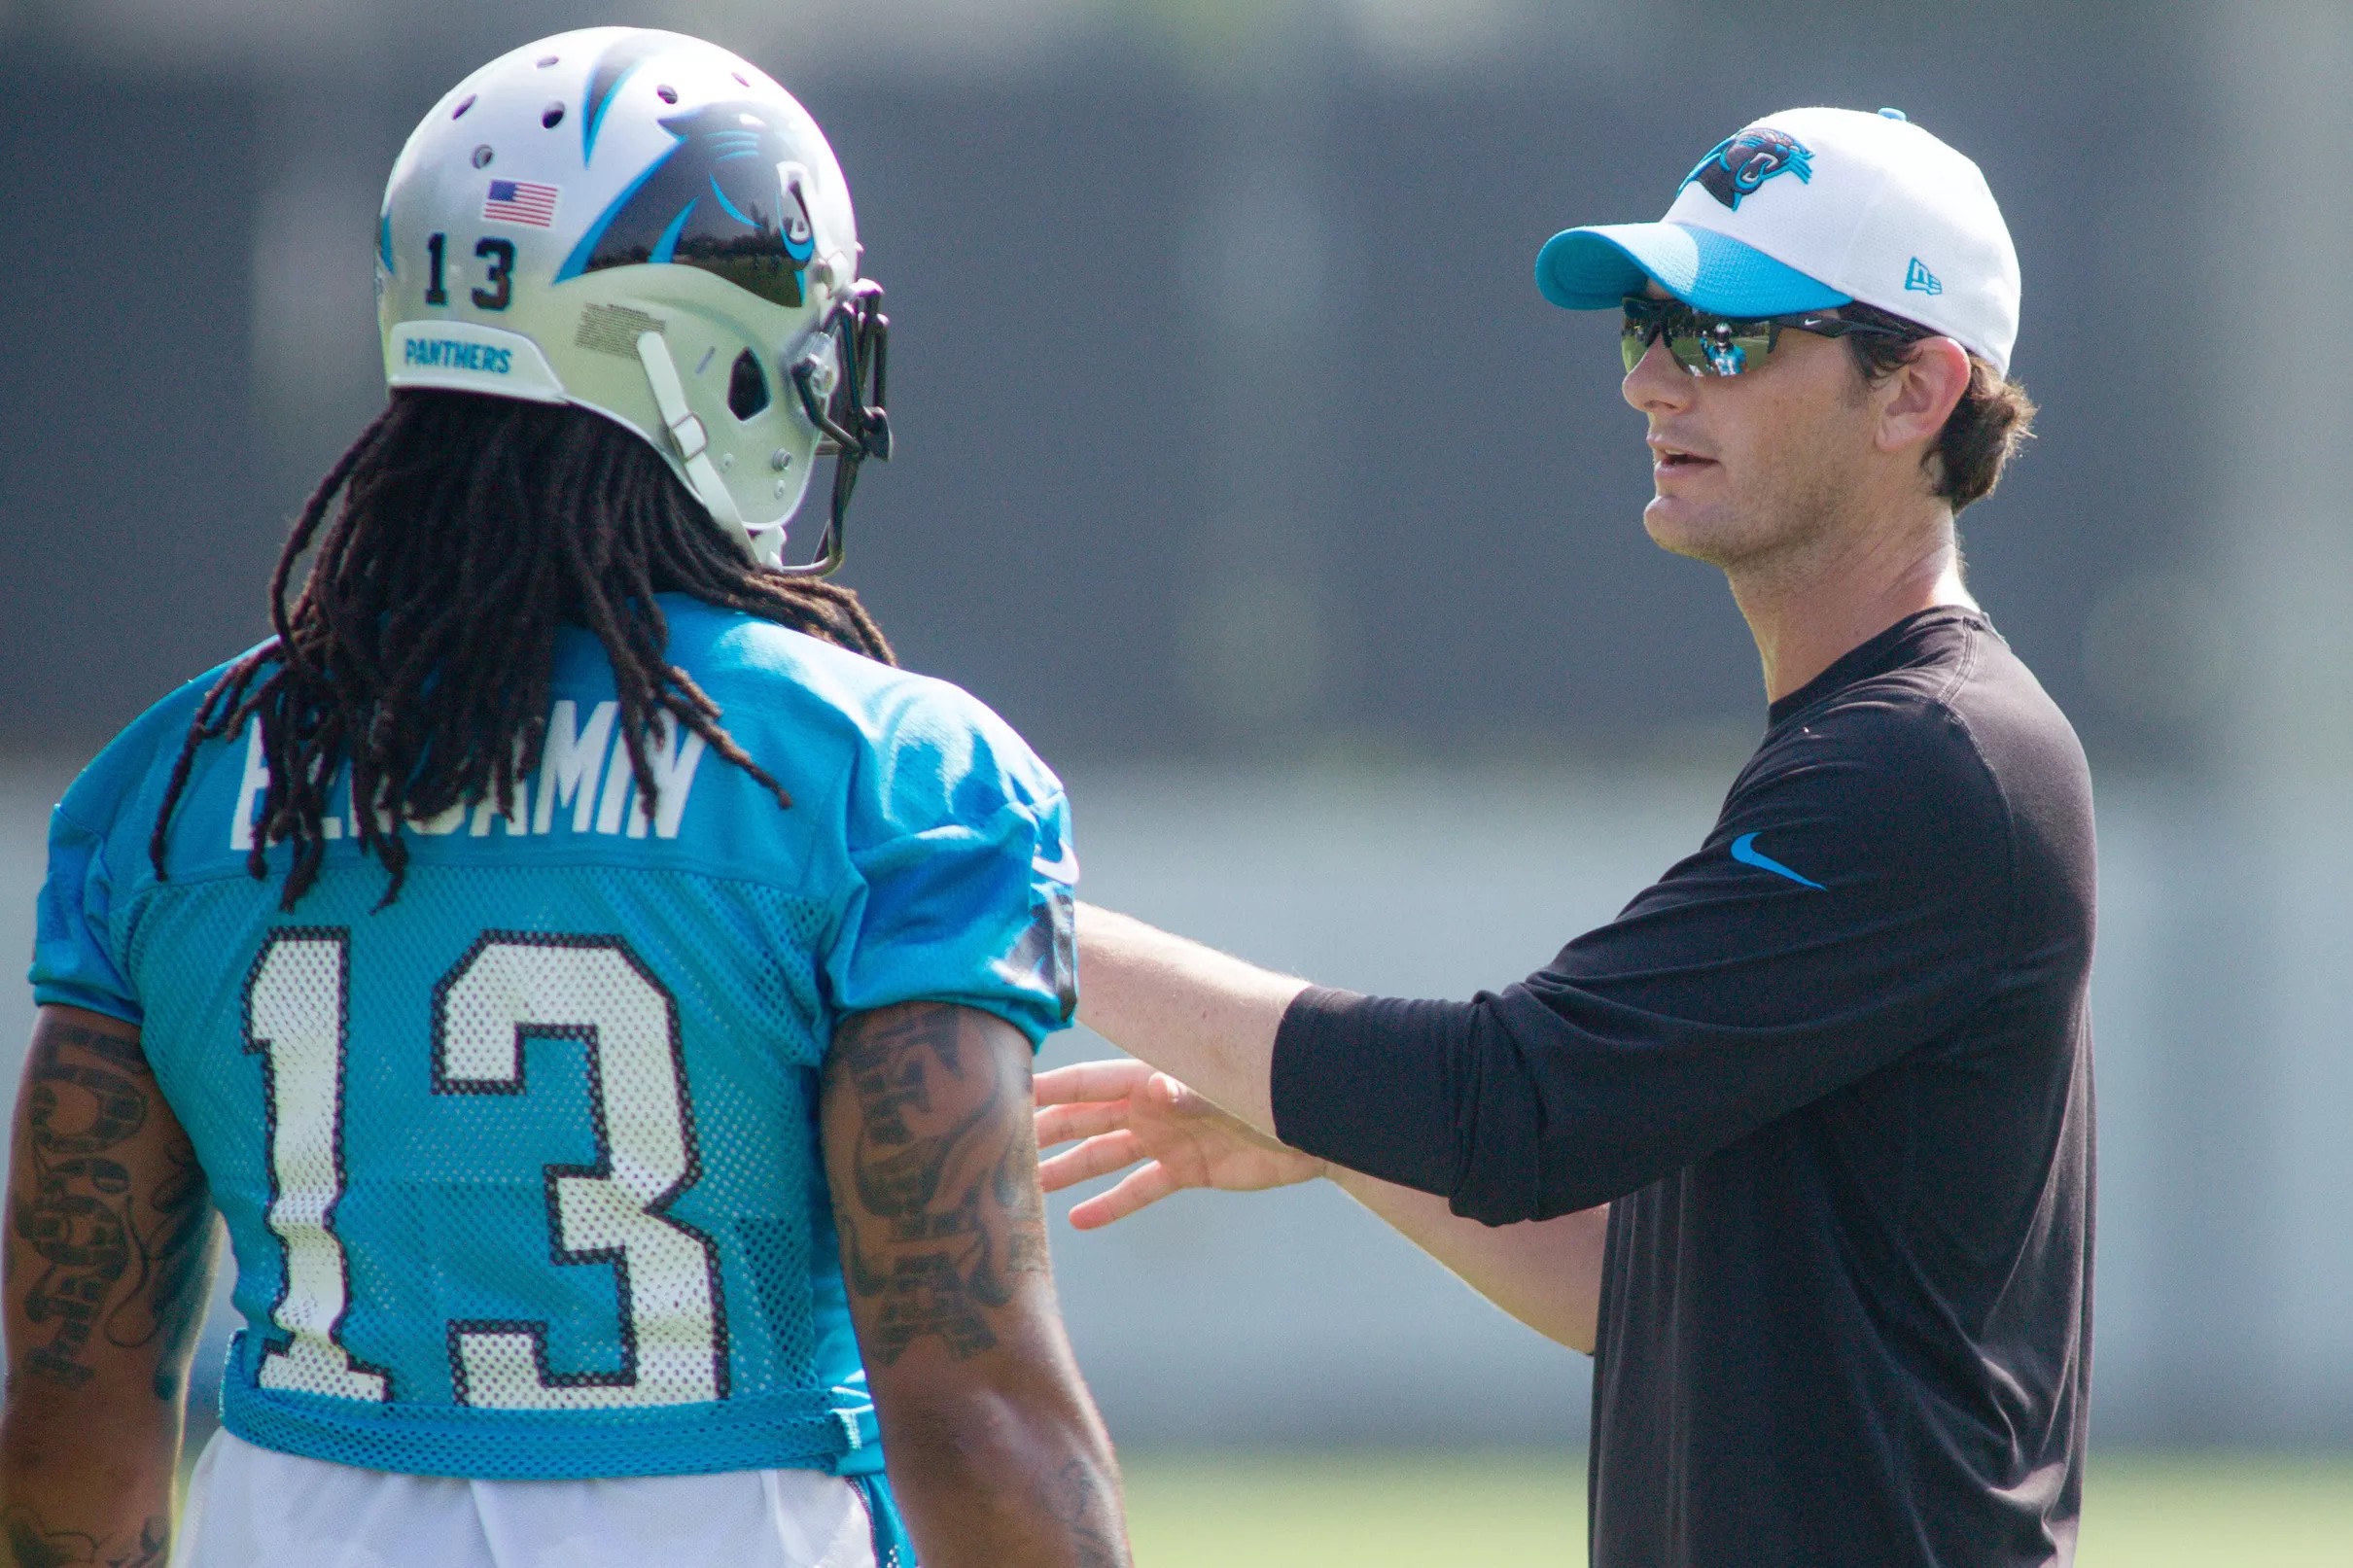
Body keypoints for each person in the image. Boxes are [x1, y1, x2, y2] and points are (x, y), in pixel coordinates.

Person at [3, 28, 1128, 1568]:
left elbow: (73, 1414)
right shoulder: (882, 777)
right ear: (709, 355)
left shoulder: (168, 786)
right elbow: (973, 1404)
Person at [1038, 107, 2090, 1567]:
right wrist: (1332, 1132)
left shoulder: (1924, 765)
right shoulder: (1888, 749)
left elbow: (1510, 1103)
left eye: (1723, 336)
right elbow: (1640, 1276)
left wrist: (1011, 899)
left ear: (1916, 388)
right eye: (1650, 323)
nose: (1652, 378)